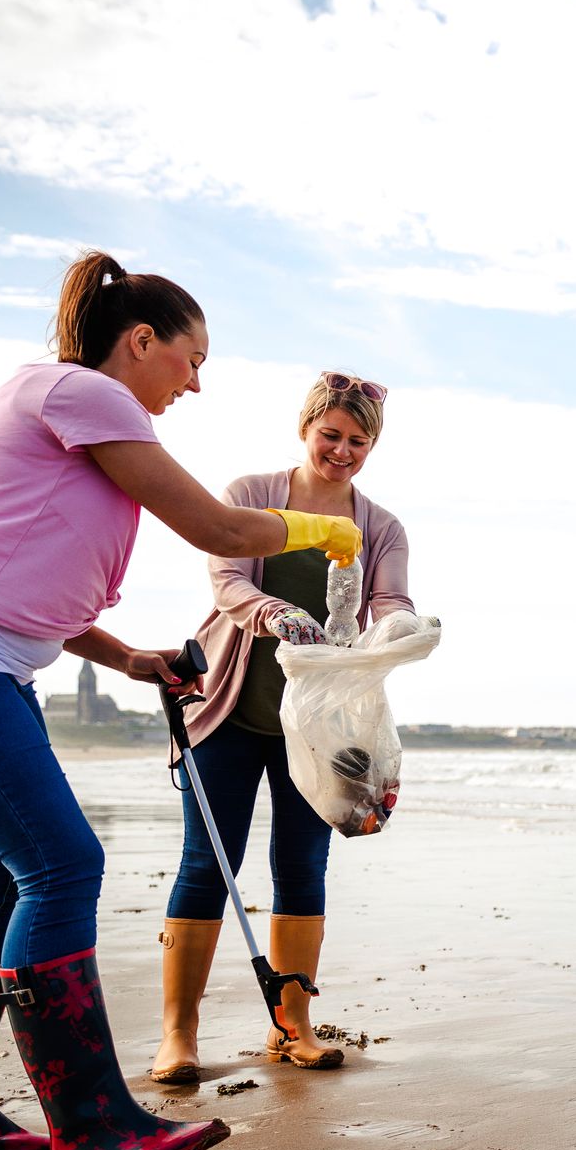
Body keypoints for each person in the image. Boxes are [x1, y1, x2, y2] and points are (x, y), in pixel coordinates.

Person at [0, 250, 360, 1150]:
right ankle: (93, 1123)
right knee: (62, 864)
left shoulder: (64, 404)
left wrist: (124, 657)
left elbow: (31, 585)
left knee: (2, 884)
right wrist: (326, 530)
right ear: (141, 340)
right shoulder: (85, 392)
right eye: (190, 359)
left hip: (9, 665)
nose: (195, 382)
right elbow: (223, 531)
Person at [148, 372, 413, 1082]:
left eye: (358, 441)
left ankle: (290, 1026)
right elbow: (228, 580)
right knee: (209, 866)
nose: (342, 451)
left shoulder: (379, 526)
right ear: (306, 430)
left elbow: (390, 600)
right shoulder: (250, 494)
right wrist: (272, 613)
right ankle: (179, 1034)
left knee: (302, 868)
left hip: (317, 729)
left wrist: (403, 628)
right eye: (330, 435)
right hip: (227, 709)